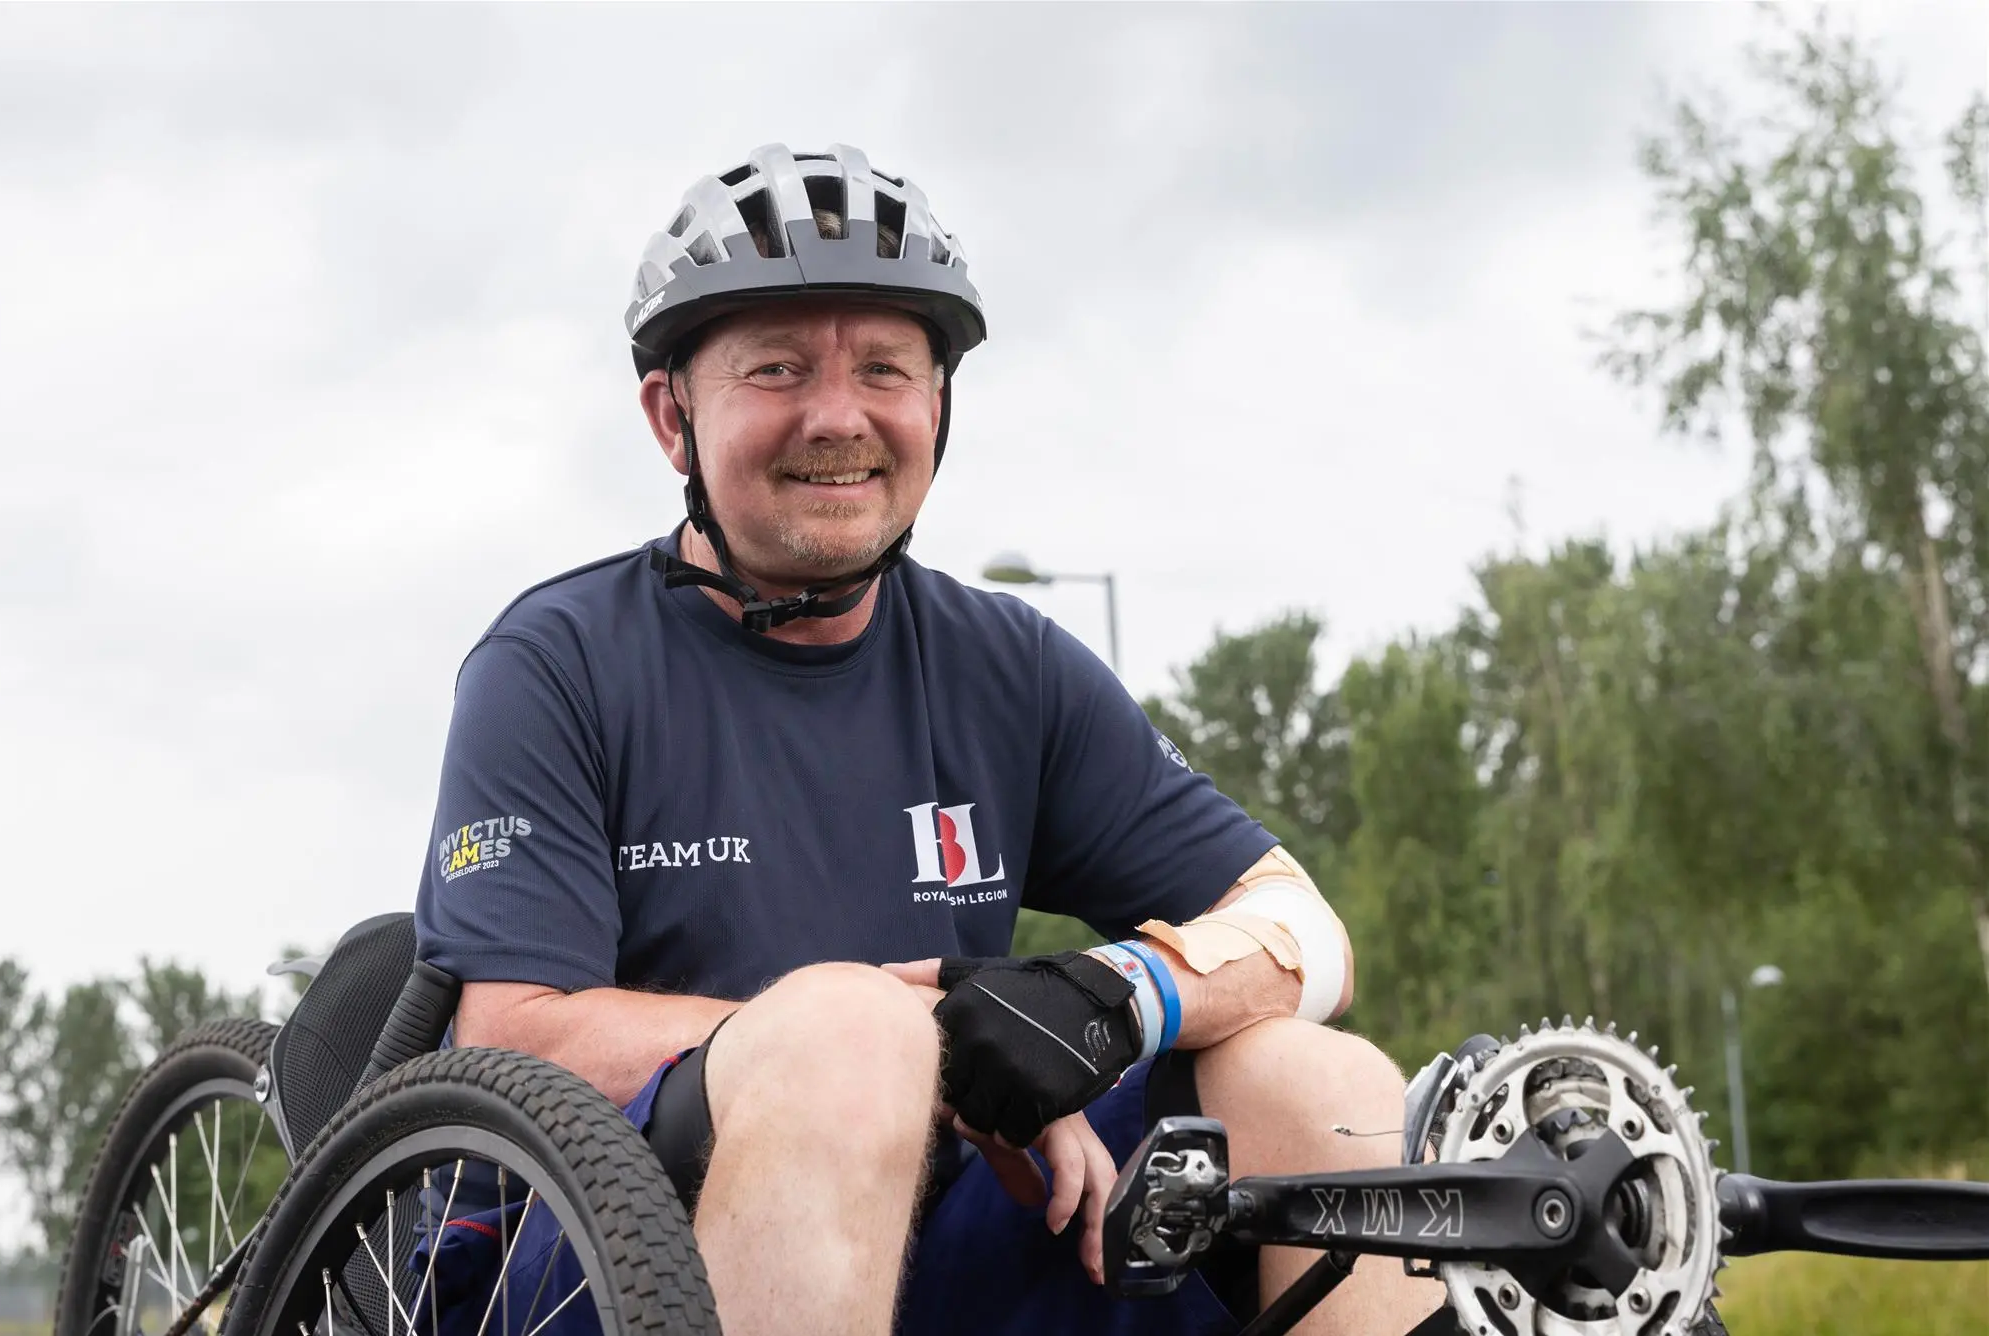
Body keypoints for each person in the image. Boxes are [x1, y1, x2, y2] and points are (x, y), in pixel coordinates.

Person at [413, 142, 1445, 1336]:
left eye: (885, 369)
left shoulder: (1008, 665)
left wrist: (1112, 1000)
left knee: (1321, 1085)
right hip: (603, 1253)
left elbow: (1303, 932)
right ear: (671, 416)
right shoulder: (555, 660)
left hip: (928, 1242)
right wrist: (928, 1048)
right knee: (850, 1033)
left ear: (937, 405)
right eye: (778, 367)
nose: (837, 416)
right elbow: (514, 1037)